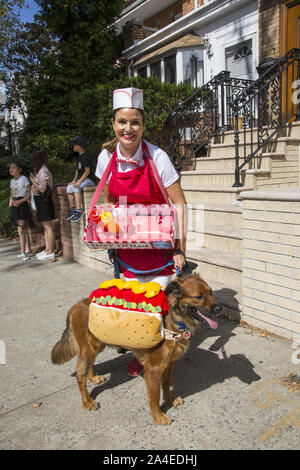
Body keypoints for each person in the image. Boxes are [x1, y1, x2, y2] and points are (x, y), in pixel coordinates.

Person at [95, 87, 187, 376]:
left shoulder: (158, 157)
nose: (128, 128)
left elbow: (180, 204)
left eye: (135, 122)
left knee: (159, 306)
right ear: (113, 123)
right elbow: (107, 201)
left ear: (143, 125)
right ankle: (142, 352)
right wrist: (110, 235)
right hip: (128, 250)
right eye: (122, 121)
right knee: (137, 306)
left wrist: (180, 248)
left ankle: (161, 351)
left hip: (160, 249)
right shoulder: (105, 158)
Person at [30, 149, 56, 261]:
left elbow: (43, 189)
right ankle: (47, 249)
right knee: (46, 226)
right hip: (41, 202)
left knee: (48, 226)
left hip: (45, 202)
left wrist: (33, 182)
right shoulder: (41, 170)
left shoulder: (43, 171)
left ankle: (51, 251)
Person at [66, 135, 97, 222]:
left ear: (79, 146)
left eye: (74, 145)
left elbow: (87, 171)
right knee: (69, 188)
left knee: (76, 188)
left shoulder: (85, 157)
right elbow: (77, 170)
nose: (73, 147)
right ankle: (72, 209)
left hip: (90, 180)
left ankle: (79, 210)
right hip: (82, 179)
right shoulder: (79, 157)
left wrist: (79, 182)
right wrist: (74, 180)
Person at [9, 161, 32, 261]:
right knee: (23, 229)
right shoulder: (12, 181)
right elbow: (12, 193)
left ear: (19, 169)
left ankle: (23, 253)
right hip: (15, 205)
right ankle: (27, 250)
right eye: (10, 168)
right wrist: (11, 201)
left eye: (13, 168)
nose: (11, 170)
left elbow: (29, 194)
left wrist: (20, 202)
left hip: (22, 204)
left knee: (21, 229)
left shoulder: (24, 179)